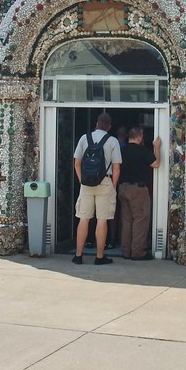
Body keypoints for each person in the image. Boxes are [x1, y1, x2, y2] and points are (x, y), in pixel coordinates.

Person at [72, 112, 122, 265]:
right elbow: (117, 167)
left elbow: (77, 163)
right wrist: (112, 186)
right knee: (102, 220)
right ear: (109, 126)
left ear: (96, 123)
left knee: (83, 219)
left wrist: (82, 181)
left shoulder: (83, 138)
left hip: (86, 184)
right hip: (105, 183)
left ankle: (78, 255)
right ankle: (100, 256)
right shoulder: (112, 141)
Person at [117, 127, 161, 260]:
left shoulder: (121, 150)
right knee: (140, 219)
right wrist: (157, 147)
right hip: (137, 189)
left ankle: (126, 251)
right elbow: (156, 164)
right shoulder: (143, 151)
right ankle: (138, 251)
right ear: (140, 137)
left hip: (123, 187)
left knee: (126, 220)